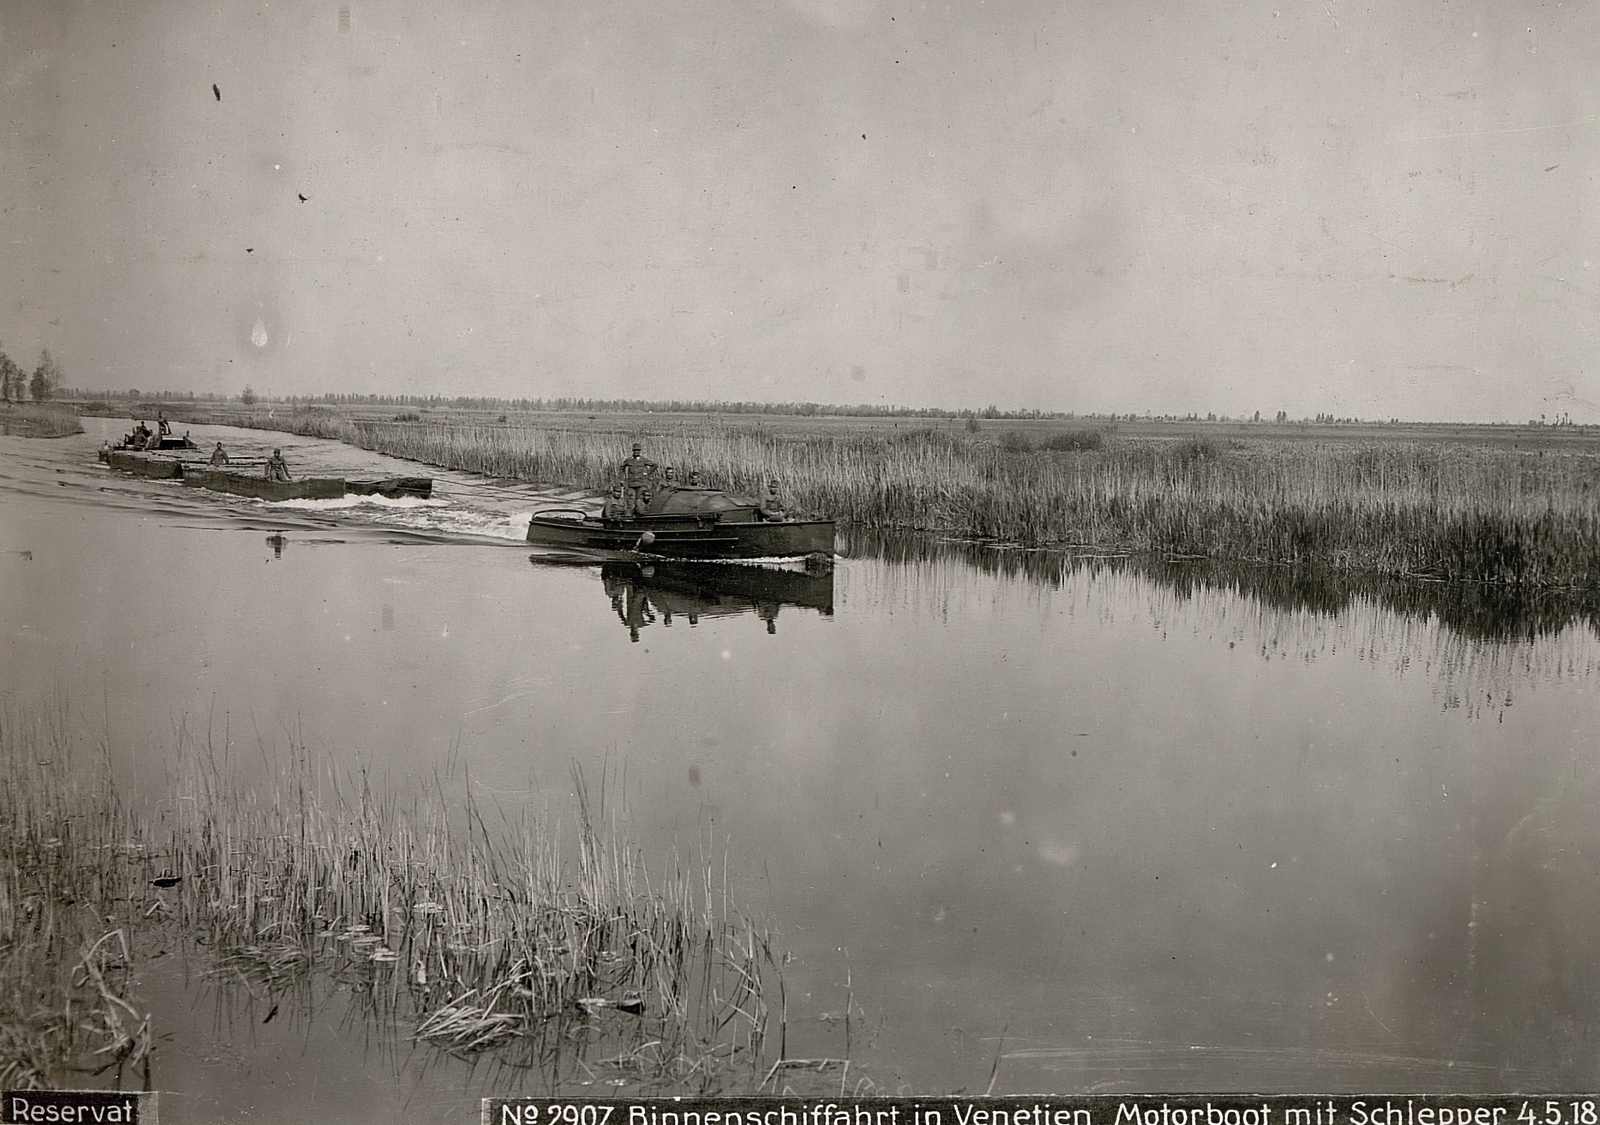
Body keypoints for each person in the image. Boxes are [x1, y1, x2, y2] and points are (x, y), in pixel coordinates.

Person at [619, 442, 658, 510]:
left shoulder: (643, 460)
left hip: (641, 484)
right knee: (631, 501)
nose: (636, 452)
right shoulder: (628, 460)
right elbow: (621, 469)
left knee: (639, 501)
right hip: (631, 484)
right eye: (635, 450)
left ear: (640, 451)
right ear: (632, 451)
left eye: (638, 450)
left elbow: (655, 465)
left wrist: (647, 472)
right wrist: (622, 479)